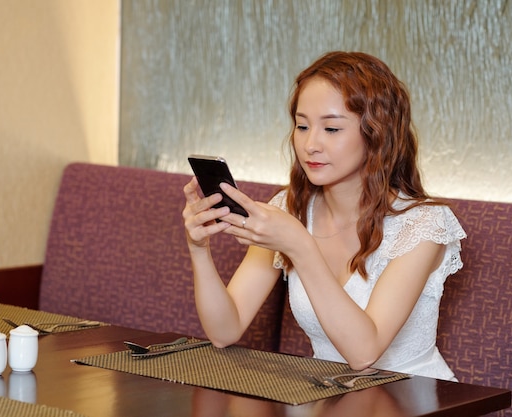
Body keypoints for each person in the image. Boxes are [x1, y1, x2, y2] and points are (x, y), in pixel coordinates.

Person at [182, 51, 466, 381]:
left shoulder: (424, 224)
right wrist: (198, 249)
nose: (310, 144)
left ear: (377, 133)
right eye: (302, 126)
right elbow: (225, 330)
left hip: (414, 398)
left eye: (331, 128)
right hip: (330, 397)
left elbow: (365, 352)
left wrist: (300, 246)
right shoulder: (290, 208)